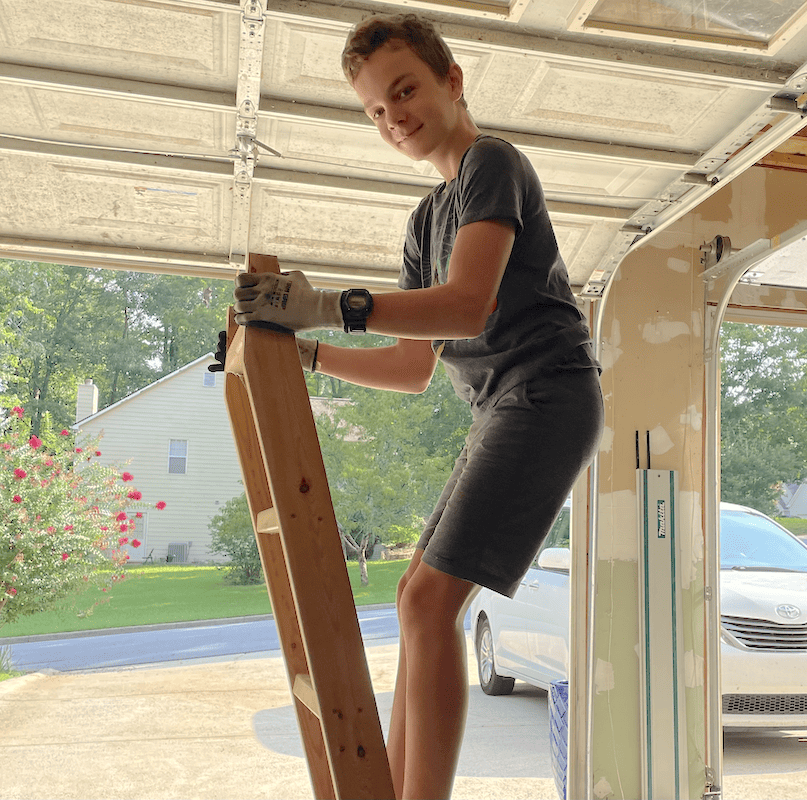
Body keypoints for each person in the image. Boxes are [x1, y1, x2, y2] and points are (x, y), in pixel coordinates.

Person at [230, 13, 603, 799]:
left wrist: (326, 304)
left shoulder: (489, 164)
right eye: (375, 108)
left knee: (432, 604)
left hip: (547, 392)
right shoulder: (426, 218)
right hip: (499, 403)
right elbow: (409, 369)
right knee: (413, 598)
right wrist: (303, 352)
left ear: (451, 81)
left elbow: (467, 306)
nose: (393, 116)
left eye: (404, 90)